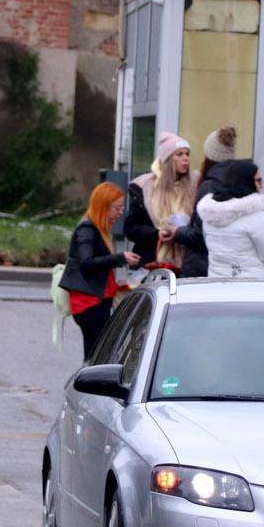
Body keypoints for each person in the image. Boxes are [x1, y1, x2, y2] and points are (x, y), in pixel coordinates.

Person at [61, 182, 139, 359]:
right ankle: (88, 385)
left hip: (96, 301)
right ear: (103, 207)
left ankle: (89, 383)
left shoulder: (97, 229)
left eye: (121, 208)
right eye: (116, 208)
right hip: (90, 303)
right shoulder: (87, 229)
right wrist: (120, 258)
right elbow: (87, 263)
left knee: (96, 353)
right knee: (97, 355)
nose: (120, 213)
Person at [125, 132, 198, 270]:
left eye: (187, 154)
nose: (185, 159)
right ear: (168, 159)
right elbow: (130, 228)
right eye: (180, 154)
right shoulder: (144, 186)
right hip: (152, 262)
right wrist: (157, 234)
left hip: (186, 262)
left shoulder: (195, 185)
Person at [197, 160, 264, 279]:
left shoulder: (210, 214)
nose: (261, 185)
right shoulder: (255, 215)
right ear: (246, 181)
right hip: (251, 285)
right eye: (258, 180)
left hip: (216, 283)